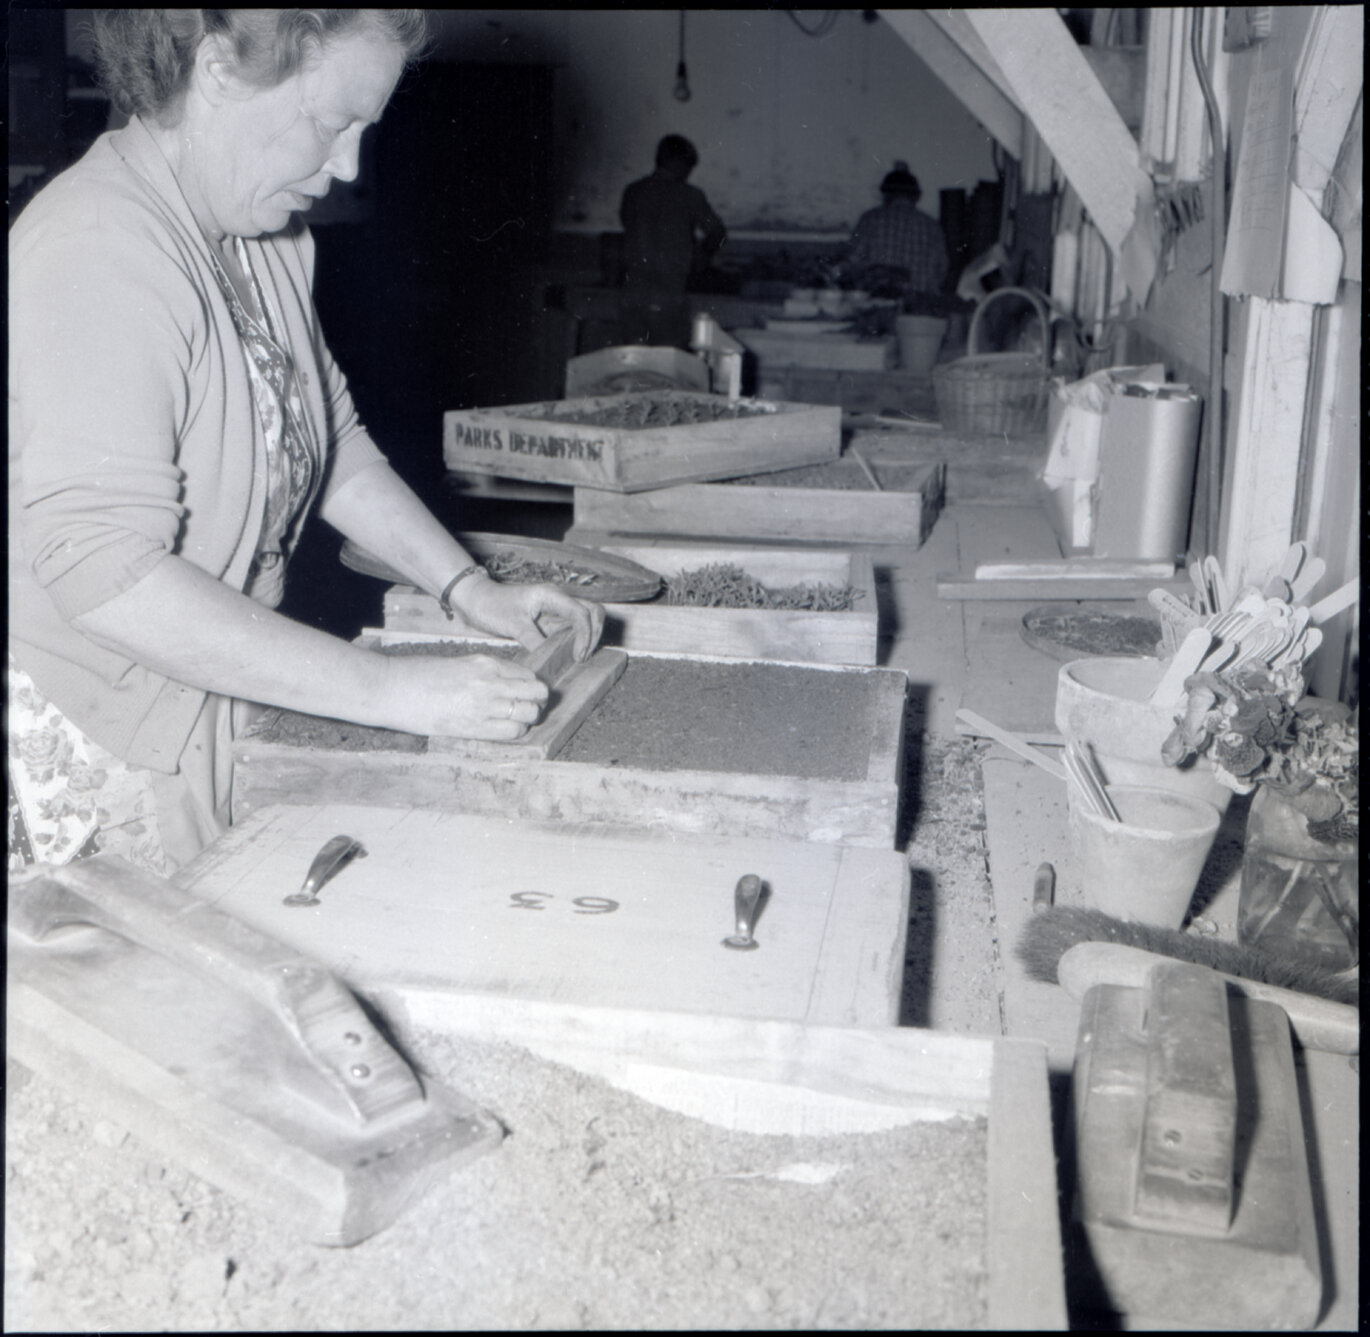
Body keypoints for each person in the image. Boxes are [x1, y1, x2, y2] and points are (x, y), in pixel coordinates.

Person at [7, 9, 604, 876]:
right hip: (97, 723)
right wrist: (388, 690)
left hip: (211, 691)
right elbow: (105, 571)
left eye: (366, 129)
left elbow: (335, 447)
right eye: (331, 123)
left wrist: (469, 589)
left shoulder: (268, 240)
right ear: (217, 70)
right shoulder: (98, 247)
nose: (349, 165)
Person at [618, 134, 727, 349]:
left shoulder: (633, 192)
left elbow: (627, 225)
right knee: (668, 367)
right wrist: (703, 254)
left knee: (633, 364)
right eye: (687, 167)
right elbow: (718, 233)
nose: (687, 174)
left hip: (633, 296)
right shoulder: (690, 195)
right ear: (677, 162)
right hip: (669, 296)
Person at [845, 160, 950, 301]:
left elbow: (853, 262)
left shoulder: (870, 219)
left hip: (878, 304)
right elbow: (942, 270)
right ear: (916, 197)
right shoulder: (932, 226)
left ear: (886, 195)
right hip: (920, 305)